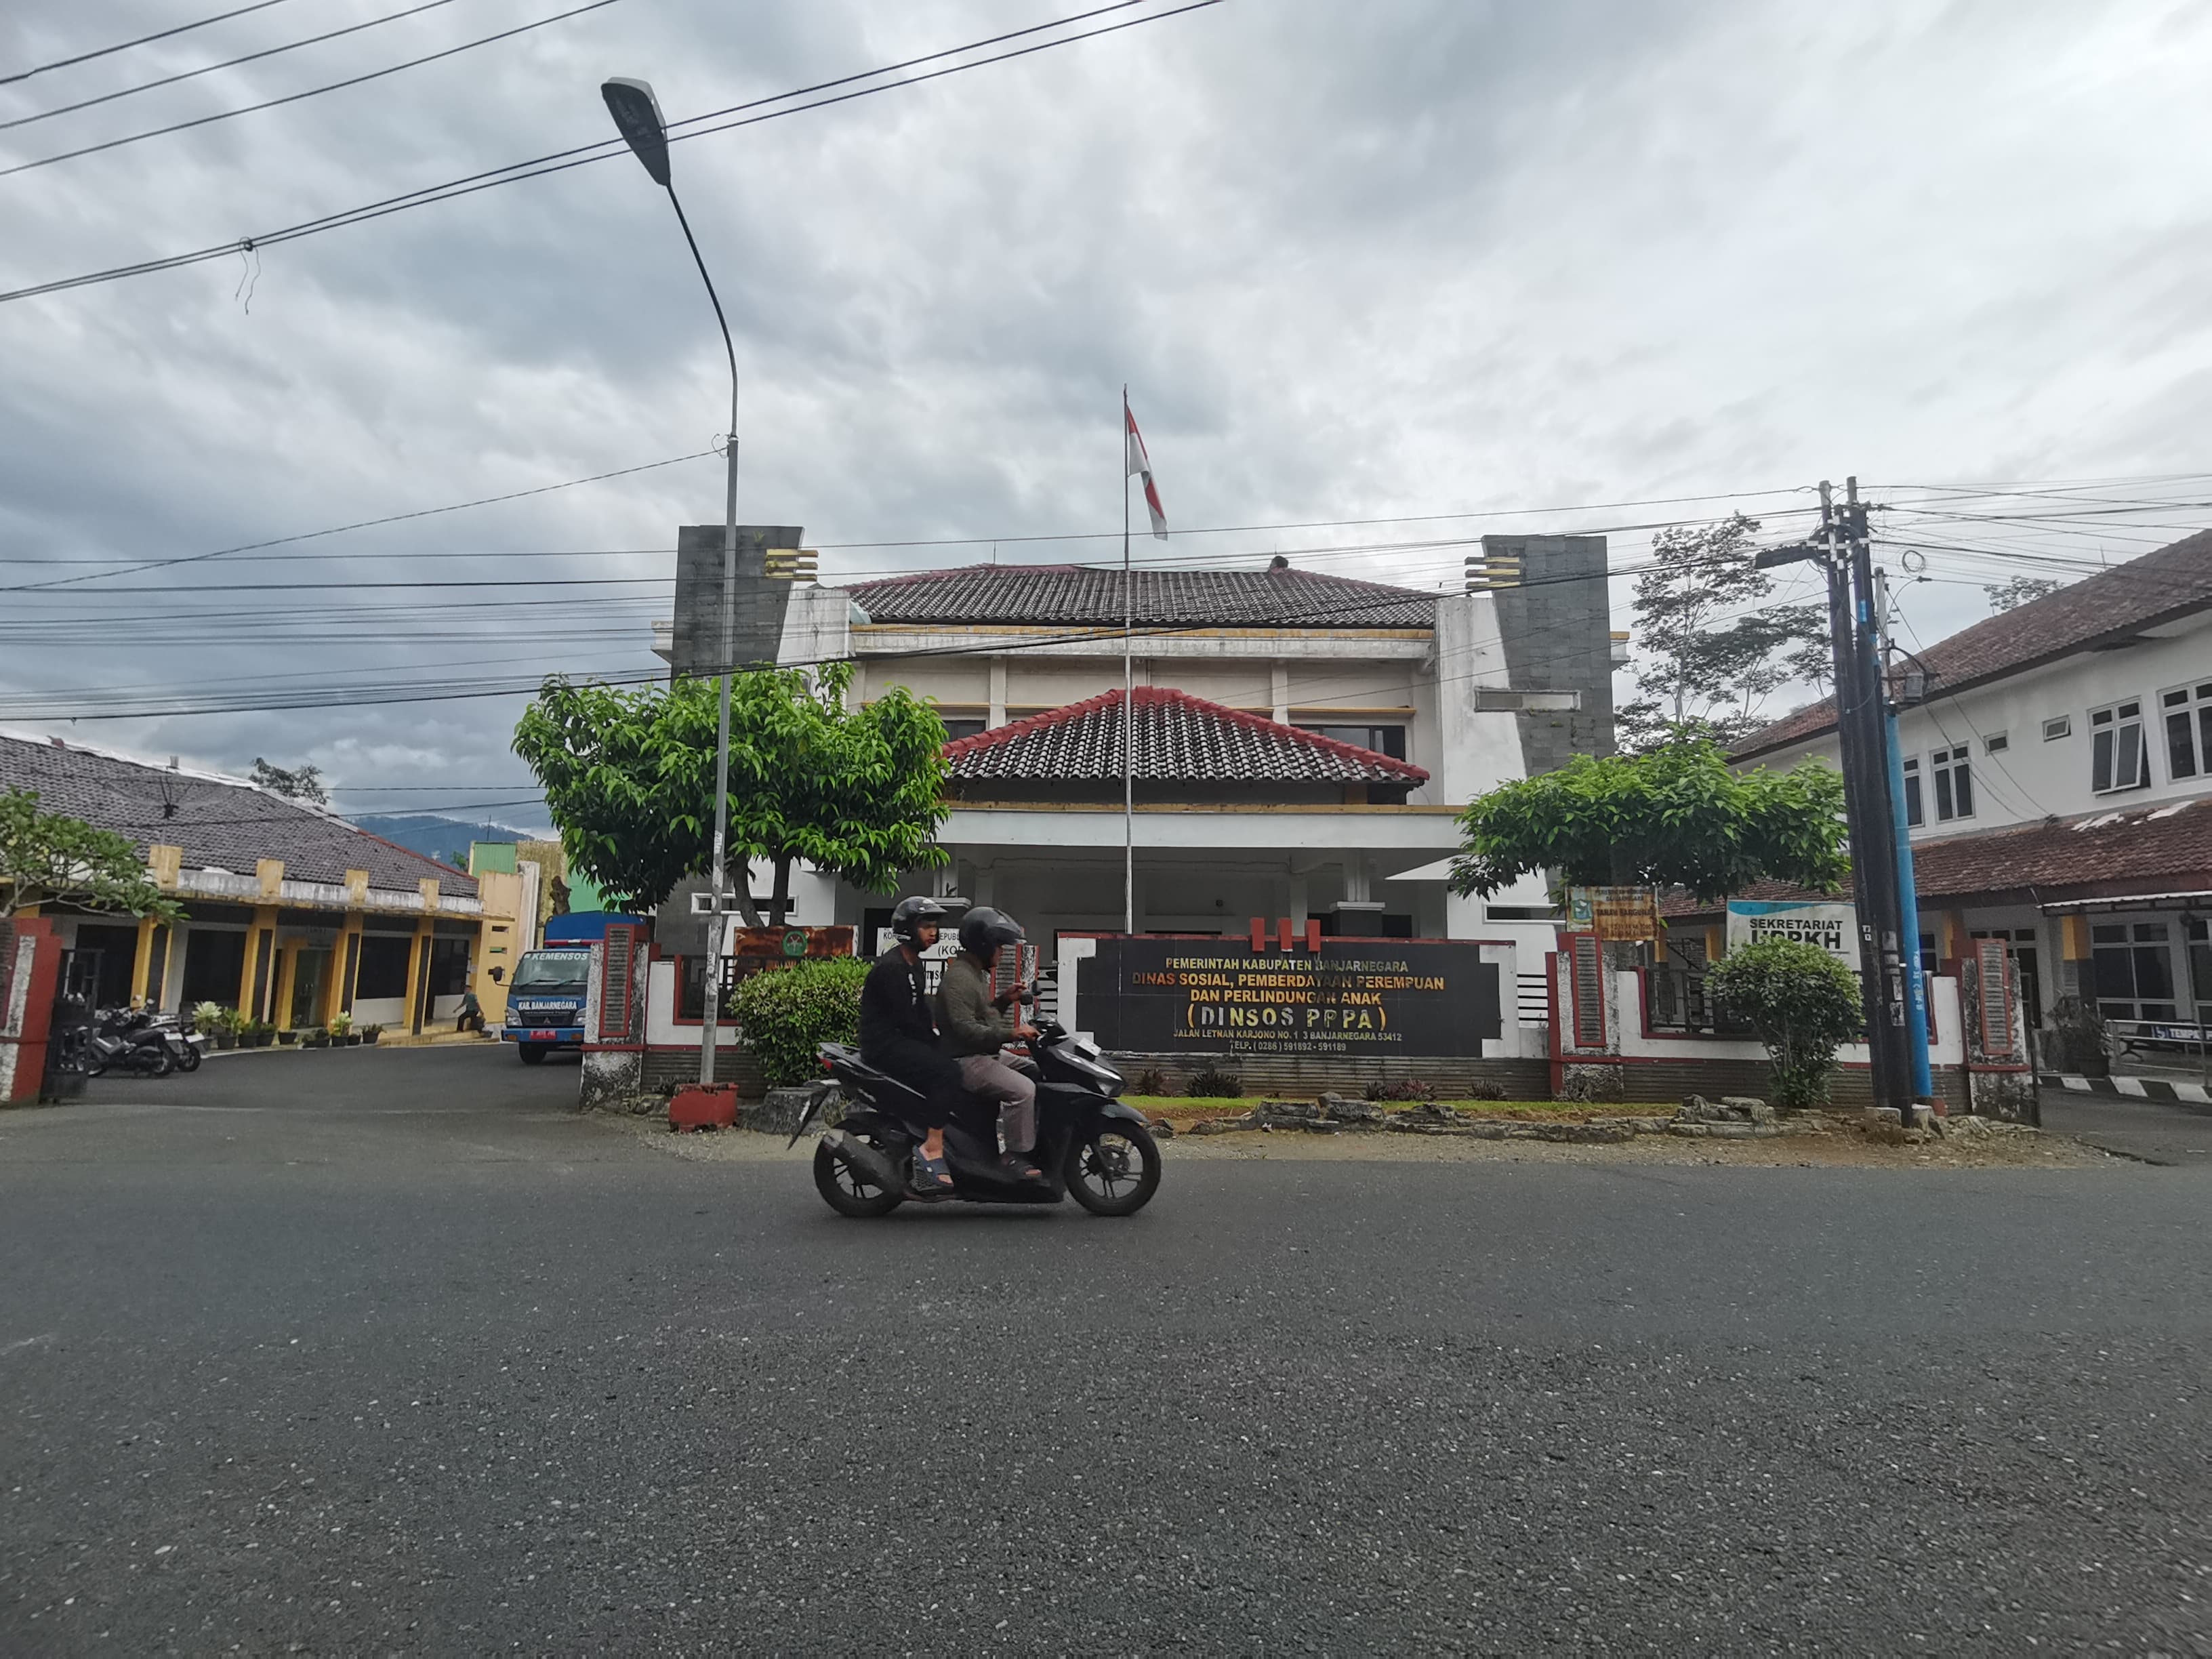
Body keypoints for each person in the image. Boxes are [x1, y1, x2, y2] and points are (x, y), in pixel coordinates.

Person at [857, 895, 968, 1195]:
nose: (934, 932)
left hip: (902, 1040)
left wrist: (940, 1041)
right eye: (926, 926)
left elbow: (921, 1014)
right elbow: (907, 1021)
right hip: (885, 1046)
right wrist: (934, 1045)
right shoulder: (892, 968)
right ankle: (933, 1147)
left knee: (951, 1064)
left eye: (935, 926)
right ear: (908, 929)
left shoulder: (913, 964)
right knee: (947, 1073)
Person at [937, 907, 1042, 1181]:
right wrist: (1011, 1034)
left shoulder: (973, 974)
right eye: (999, 945)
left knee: (1034, 1071)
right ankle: (1014, 1157)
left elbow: (984, 1017)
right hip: (965, 1060)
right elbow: (965, 1030)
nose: (1003, 951)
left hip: (983, 1054)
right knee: (1025, 1090)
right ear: (982, 944)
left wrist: (1006, 1000)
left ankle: (1033, 1140)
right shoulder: (960, 978)